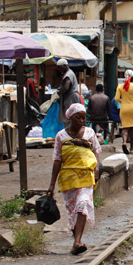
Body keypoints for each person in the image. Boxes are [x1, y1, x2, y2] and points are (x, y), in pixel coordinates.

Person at [47, 103, 102, 256]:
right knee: (72, 211)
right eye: (78, 118)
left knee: (82, 204)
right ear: (70, 118)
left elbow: (96, 151)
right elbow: (57, 160)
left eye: (84, 118)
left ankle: (77, 242)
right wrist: (52, 184)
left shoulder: (90, 133)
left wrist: (96, 168)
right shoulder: (61, 136)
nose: (81, 121)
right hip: (68, 179)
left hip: (86, 176)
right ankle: (76, 241)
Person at [115, 69, 133, 154]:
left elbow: (116, 98)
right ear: (132, 77)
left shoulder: (120, 86)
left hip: (124, 108)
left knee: (125, 128)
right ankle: (131, 148)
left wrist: (123, 101)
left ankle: (124, 142)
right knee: (132, 129)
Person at [57, 59, 82, 129]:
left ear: (65, 66)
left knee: (69, 116)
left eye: (60, 67)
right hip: (71, 97)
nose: (59, 69)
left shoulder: (69, 74)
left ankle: (70, 133)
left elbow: (66, 87)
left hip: (71, 98)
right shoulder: (70, 73)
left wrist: (58, 93)